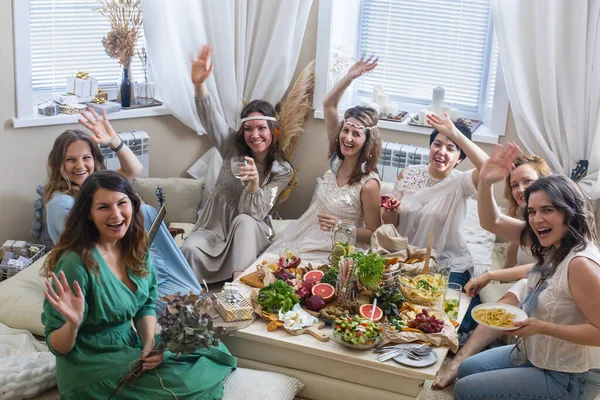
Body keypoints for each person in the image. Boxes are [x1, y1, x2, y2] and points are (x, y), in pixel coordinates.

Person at [41, 171, 236, 399]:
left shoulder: (135, 248)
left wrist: (149, 344)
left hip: (128, 345)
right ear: (88, 214)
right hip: (90, 361)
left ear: (132, 205)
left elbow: (145, 305)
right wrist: (73, 324)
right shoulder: (75, 263)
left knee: (209, 345)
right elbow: (58, 346)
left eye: (122, 203)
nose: (116, 214)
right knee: (183, 385)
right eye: (103, 207)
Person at [452, 143, 600, 399]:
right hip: (535, 354)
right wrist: (486, 182)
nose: (536, 219)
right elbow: (493, 222)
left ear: (569, 211)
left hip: (569, 376)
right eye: (532, 211)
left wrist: (541, 327)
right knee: (466, 368)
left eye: (547, 210)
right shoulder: (555, 244)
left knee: (465, 390)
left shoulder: (581, 263)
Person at [44, 108, 201, 307]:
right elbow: (89, 246)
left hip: (123, 258)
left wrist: (113, 141)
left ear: (94, 159)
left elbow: (133, 169)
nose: (80, 165)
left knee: (146, 213)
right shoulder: (62, 203)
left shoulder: (95, 187)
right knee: (179, 309)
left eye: (86, 157)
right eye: (70, 160)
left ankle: (177, 284)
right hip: (98, 269)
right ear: (59, 164)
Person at [432, 153, 553, 389]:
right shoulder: (525, 216)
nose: (520, 189)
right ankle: (460, 361)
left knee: (518, 288)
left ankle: (458, 361)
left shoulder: (553, 218)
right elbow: (504, 236)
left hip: (550, 280)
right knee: (510, 293)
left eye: (527, 181)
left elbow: (546, 266)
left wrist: (491, 275)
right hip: (534, 278)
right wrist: (502, 273)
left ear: (543, 180)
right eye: (514, 184)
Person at [181, 45, 294, 282]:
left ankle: (238, 288)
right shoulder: (231, 147)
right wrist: (200, 85)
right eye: (248, 129)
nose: (255, 135)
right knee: (190, 249)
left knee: (244, 220)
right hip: (213, 230)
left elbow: (255, 212)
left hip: (251, 232)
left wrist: (253, 184)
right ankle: (189, 297)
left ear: (273, 131)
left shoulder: (281, 170)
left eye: (262, 128)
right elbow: (210, 118)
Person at [266, 57, 382, 261]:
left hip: (335, 247)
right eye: (345, 130)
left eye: (356, 134)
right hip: (304, 232)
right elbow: (329, 105)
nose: (347, 138)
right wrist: (350, 76)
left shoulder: (369, 184)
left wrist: (341, 227)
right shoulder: (337, 158)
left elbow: (375, 234)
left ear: (367, 141)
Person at [382, 114, 489, 332]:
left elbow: (489, 167)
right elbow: (391, 224)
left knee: (447, 320)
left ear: (460, 158)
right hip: (408, 262)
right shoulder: (408, 174)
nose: (441, 151)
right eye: (437, 145)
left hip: (447, 265)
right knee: (396, 314)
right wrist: (390, 210)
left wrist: (454, 133)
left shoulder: (462, 182)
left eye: (451, 148)